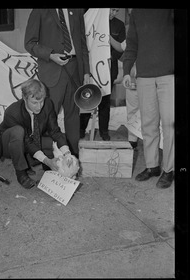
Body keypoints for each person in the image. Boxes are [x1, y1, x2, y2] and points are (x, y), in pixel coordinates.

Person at [24, 9, 91, 157]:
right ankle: (48, 159)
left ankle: (72, 157)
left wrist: (86, 71)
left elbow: (82, 43)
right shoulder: (39, 12)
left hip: (75, 69)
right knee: (48, 116)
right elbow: (29, 43)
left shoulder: (77, 11)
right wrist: (50, 55)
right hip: (51, 70)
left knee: (73, 116)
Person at [122, 9, 174, 189]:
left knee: (170, 125)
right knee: (148, 124)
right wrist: (127, 71)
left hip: (170, 76)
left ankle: (170, 169)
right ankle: (153, 167)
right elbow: (132, 44)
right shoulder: (136, 12)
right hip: (144, 76)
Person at [0, 79, 72, 189]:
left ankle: (46, 168)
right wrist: (47, 160)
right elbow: (26, 142)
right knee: (18, 132)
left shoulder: (48, 104)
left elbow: (55, 131)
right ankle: (21, 173)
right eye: (34, 103)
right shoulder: (12, 112)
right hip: (7, 143)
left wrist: (67, 154)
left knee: (51, 143)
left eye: (41, 101)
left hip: (31, 138)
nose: (39, 107)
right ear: (24, 99)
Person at [80, 8, 126, 141]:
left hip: (109, 69)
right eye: (111, 10)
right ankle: (81, 129)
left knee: (105, 101)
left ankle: (104, 131)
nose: (113, 13)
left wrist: (108, 53)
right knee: (87, 98)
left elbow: (121, 49)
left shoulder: (119, 25)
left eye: (116, 11)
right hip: (92, 68)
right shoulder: (92, 18)